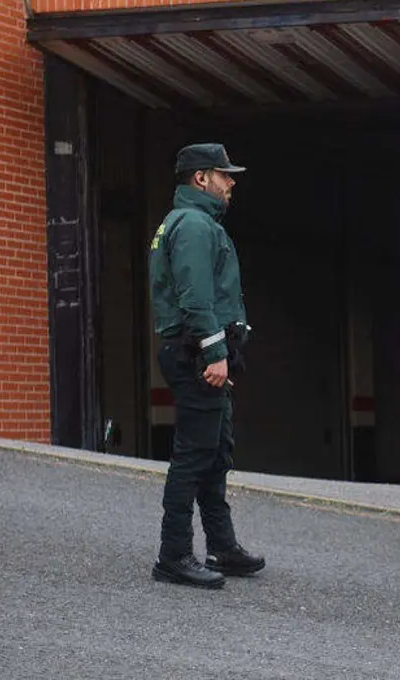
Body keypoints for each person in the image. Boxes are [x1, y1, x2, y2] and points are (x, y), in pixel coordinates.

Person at [147, 142, 266, 589]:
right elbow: (195, 296)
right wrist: (215, 352)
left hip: (200, 350)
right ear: (201, 178)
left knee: (215, 453)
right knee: (194, 456)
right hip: (197, 352)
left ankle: (223, 546)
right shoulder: (195, 225)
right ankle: (173, 554)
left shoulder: (188, 222)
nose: (231, 182)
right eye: (224, 174)